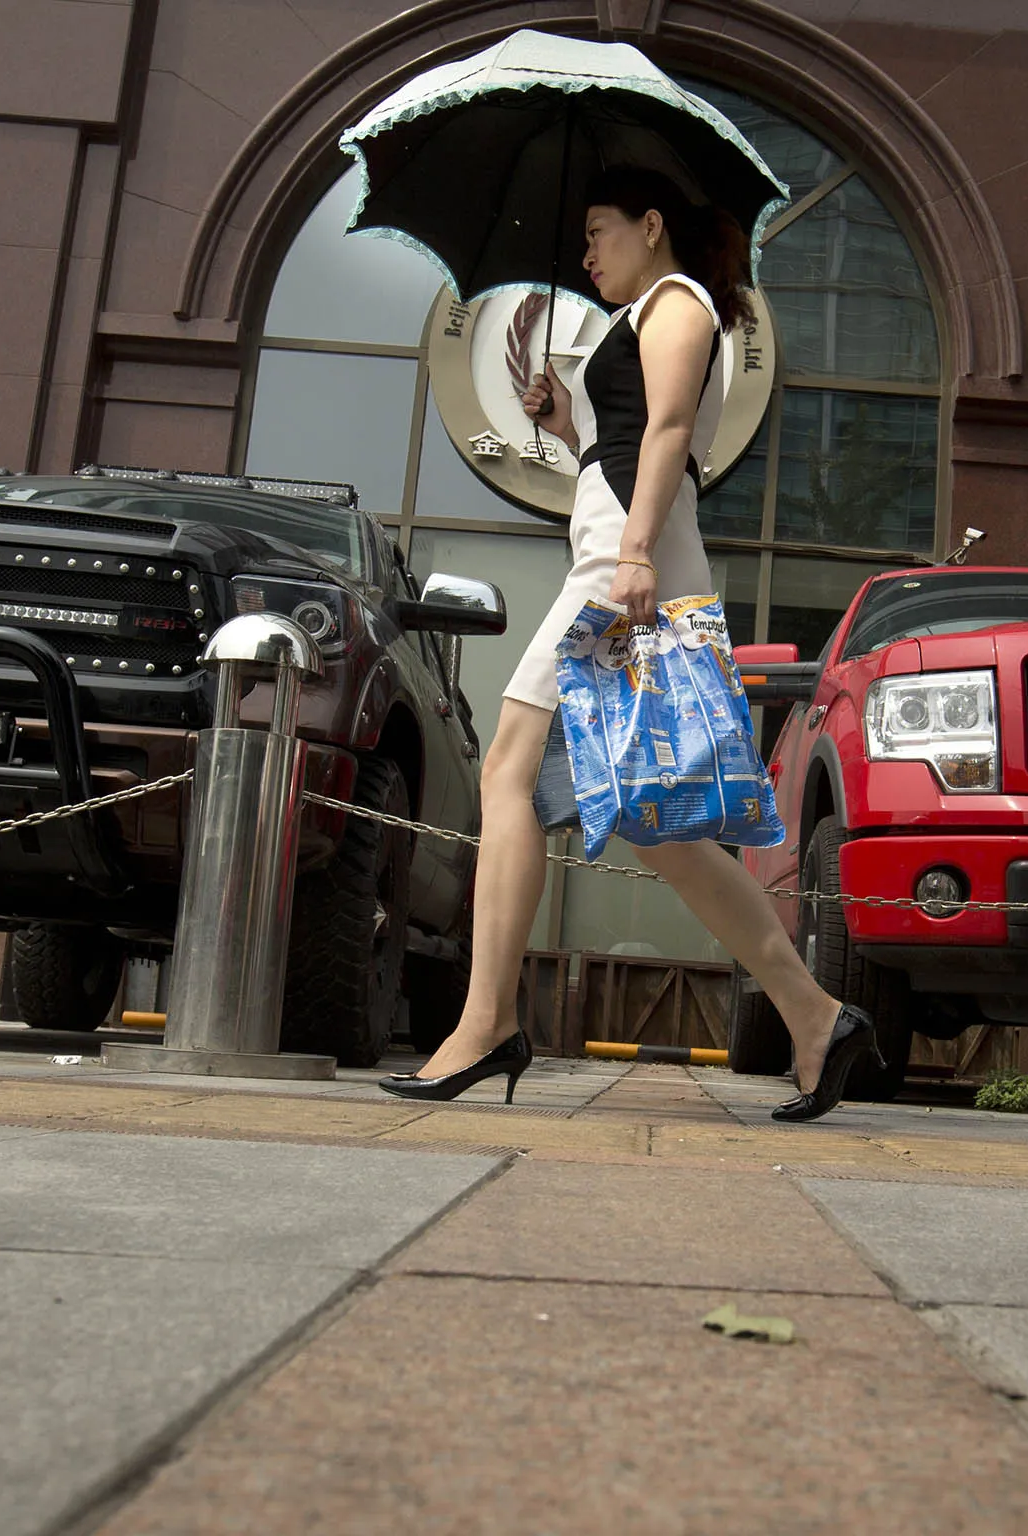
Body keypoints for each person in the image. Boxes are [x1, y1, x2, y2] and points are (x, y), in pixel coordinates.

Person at [378, 166, 879, 1121]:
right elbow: (626, 449)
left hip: (621, 564)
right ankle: (818, 1019)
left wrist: (637, 556)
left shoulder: (679, 302)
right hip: (619, 551)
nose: (587, 251)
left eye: (601, 231)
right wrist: (570, 428)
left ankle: (485, 1023)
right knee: (669, 833)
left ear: (654, 226)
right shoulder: (645, 312)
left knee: (512, 776)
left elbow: (674, 432)